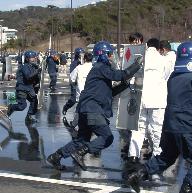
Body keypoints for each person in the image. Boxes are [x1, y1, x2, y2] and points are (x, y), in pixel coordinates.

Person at [126, 41, 192, 193]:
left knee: (166, 157)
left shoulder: (172, 78)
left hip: (170, 126)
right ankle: (188, 189)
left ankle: (139, 173)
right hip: (188, 127)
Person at [47, 41, 143, 171]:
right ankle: (80, 153)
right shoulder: (101, 68)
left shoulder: (100, 70)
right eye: (109, 54)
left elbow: (110, 92)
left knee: (81, 140)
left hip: (85, 109)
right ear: (102, 55)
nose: (111, 57)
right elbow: (120, 75)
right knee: (107, 137)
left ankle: (56, 156)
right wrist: (136, 66)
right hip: (93, 109)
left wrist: (124, 85)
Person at [127, 38, 166, 165]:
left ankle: (133, 154)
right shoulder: (163, 60)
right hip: (158, 99)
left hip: (140, 97)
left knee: (138, 128)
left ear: (147, 46)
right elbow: (166, 77)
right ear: (158, 47)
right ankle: (157, 155)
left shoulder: (140, 59)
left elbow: (132, 76)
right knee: (156, 128)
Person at [7, 50, 42, 123]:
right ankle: (11, 107)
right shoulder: (24, 67)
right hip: (22, 88)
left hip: (29, 88)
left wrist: (37, 82)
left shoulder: (33, 66)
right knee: (22, 106)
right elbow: (28, 76)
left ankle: (29, 116)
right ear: (27, 58)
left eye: (34, 57)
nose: (34, 59)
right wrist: (37, 71)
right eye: (32, 58)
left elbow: (35, 78)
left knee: (34, 101)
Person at [68, 52, 93, 127]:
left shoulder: (79, 68)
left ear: (84, 59)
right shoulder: (94, 68)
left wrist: (74, 84)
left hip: (81, 93)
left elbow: (71, 79)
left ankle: (74, 124)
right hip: (92, 93)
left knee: (79, 109)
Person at [62, 48, 85, 115]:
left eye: (83, 54)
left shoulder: (85, 62)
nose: (82, 55)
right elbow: (72, 75)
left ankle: (80, 114)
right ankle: (66, 107)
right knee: (74, 99)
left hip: (83, 82)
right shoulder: (74, 63)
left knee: (84, 99)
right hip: (75, 83)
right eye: (81, 54)